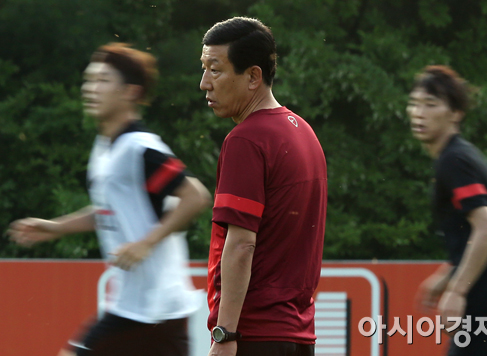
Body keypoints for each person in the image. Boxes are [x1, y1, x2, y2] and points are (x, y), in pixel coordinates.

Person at [8, 43, 211, 356]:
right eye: (89, 80)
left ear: (130, 92)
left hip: (150, 308)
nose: (90, 88)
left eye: (102, 81)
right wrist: (55, 227)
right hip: (147, 309)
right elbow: (108, 211)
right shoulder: (106, 148)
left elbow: (194, 196)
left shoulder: (140, 147)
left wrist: (146, 242)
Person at [199, 17, 327, 356]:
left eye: (215, 70)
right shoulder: (304, 132)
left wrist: (224, 335)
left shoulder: (246, 140)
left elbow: (241, 245)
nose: (204, 84)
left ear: (253, 76)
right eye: (204, 69)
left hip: (254, 336)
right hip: (298, 336)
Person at [410, 65, 487, 356]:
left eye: (431, 105)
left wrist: (458, 289)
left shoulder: (454, 160)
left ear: (455, 113)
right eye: (415, 104)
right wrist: (448, 276)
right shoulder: (457, 156)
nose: (418, 112)